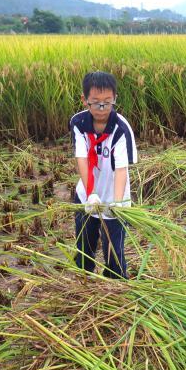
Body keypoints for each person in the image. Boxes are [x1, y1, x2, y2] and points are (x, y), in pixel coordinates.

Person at [69, 71, 137, 278]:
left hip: (115, 198)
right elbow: (82, 159)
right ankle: (82, 285)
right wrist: (90, 193)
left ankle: (116, 289)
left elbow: (121, 169)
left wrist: (116, 203)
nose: (101, 108)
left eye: (107, 102)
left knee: (114, 254)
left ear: (115, 99)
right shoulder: (78, 123)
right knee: (84, 249)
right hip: (87, 196)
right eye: (96, 102)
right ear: (84, 100)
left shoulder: (121, 128)